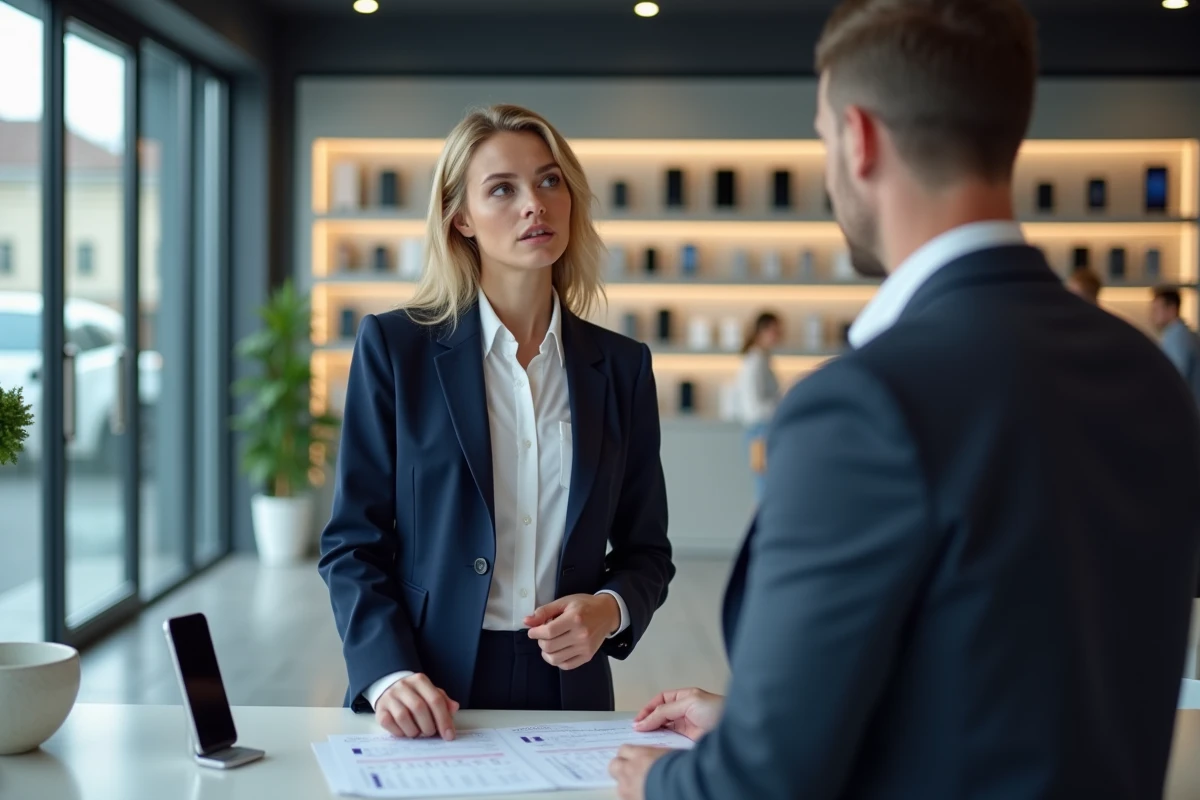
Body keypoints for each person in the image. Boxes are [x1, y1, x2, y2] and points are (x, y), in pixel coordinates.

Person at [610, 1, 1200, 798]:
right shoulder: (1148, 377)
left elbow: (762, 786)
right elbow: (1010, 686)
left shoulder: (861, 406)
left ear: (858, 139)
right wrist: (758, 723)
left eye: (822, 137)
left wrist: (668, 782)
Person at [318, 103, 675, 742]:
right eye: (502, 189)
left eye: (549, 181)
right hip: (428, 684)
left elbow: (646, 550)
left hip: (572, 684)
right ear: (461, 218)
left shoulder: (623, 368)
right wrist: (387, 674)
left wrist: (608, 610)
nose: (534, 205)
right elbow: (353, 543)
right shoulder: (395, 349)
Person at [733, 312, 782, 502]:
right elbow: (754, 406)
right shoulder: (755, 361)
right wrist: (781, 406)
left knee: (766, 489)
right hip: (760, 433)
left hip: (761, 432)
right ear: (762, 331)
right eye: (774, 331)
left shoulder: (761, 359)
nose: (778, 336)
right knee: (765, 491)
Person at [1150, 286, 1200, 406]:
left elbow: (1175, 377)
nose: (1152, 315)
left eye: (1156, 310)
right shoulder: (1183, 334)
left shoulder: (1177, 336)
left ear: (1172, 309)